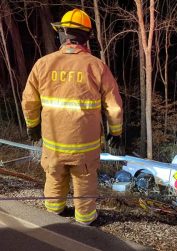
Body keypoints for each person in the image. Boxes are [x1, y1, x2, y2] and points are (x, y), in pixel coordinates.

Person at [21, 9, 123, 225]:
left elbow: (29, 101)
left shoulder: (43, 64)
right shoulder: (97, 66)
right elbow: (114, 107)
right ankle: (85, 220)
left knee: (54, 177)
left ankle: (53, 215)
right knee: (85, 182)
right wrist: (116, 132)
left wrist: (33, 126)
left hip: (53, 144)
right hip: (84, 148)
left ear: (63, 33)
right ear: (86, 37)